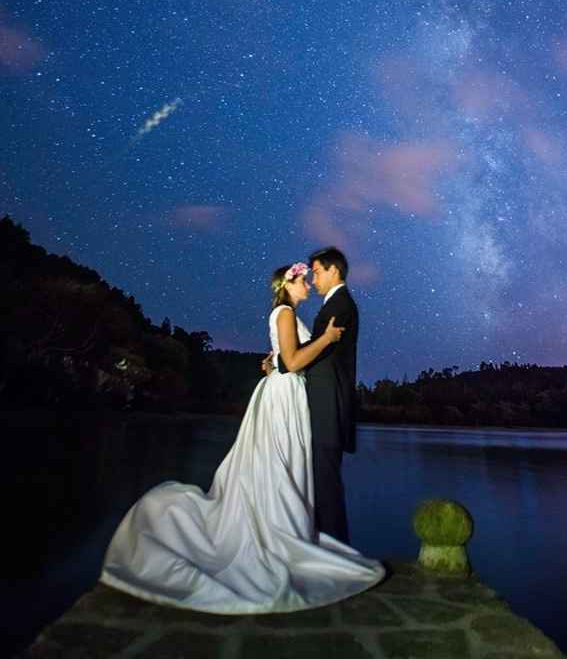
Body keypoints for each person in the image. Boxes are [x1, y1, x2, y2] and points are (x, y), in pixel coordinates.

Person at [99, 261, 384, 615]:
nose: (309, 285)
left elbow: (285, 359)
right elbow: (294, 361)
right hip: (284, 397)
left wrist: (276, 361)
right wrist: (325, 339)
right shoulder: (284, 313)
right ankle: (276, 539)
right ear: (288, 284)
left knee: (282, 467)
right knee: (278, 466)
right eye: (303, 281)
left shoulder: (287, 314)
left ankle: (285, 531)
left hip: (288, 394)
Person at [273, 246, 358, 544]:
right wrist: (281, 359)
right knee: (321, 479)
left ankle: (335, 551)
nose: (314, 280)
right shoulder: (334, 304)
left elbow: (317, 353)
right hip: (321, 401)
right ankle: (325, 546)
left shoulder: (340, 305)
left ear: (334, 270)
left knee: (326, 481)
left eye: (318, 272)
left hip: (327, 403)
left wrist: (282, 361)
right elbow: (310, 351)